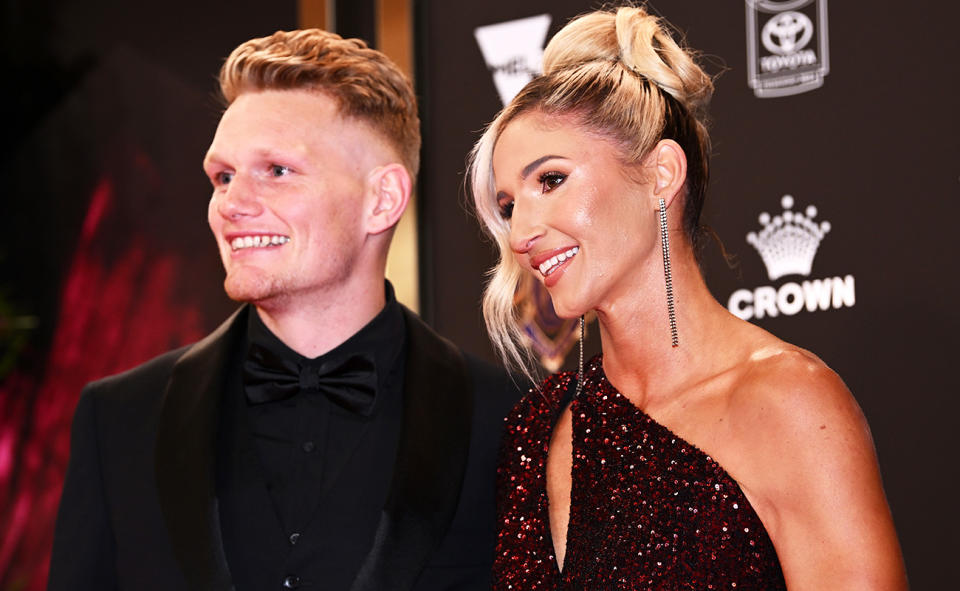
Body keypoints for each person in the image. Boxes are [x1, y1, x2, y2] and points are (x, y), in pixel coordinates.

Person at [48, 29, 519, 591]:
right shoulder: (119, 419)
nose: (232, 205)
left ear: (382, 200)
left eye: (276, 170)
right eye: (222, 177)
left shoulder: (508, 422)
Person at [469, 6, 908, 590]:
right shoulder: (532, 431)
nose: (521, 234)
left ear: (661, 175)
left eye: (550, 181)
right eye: (508, 206)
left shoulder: (786, 405)